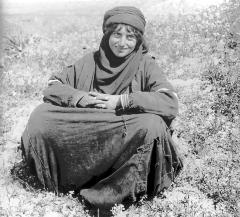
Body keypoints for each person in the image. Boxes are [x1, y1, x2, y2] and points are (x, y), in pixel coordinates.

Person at [21, 6, 183, 208]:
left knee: (151, 124)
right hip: (88, 131)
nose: (122, 43)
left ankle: (111, 194)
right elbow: (53, 87)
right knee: (40, 116)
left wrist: (122, 101)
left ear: (138, 40)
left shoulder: (145, 64)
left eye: (130, 37)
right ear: (107, 34)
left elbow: (169, 101)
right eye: (117, 34)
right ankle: (63, 181)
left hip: (123, 133)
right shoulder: (90, 60)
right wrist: (79, 98)